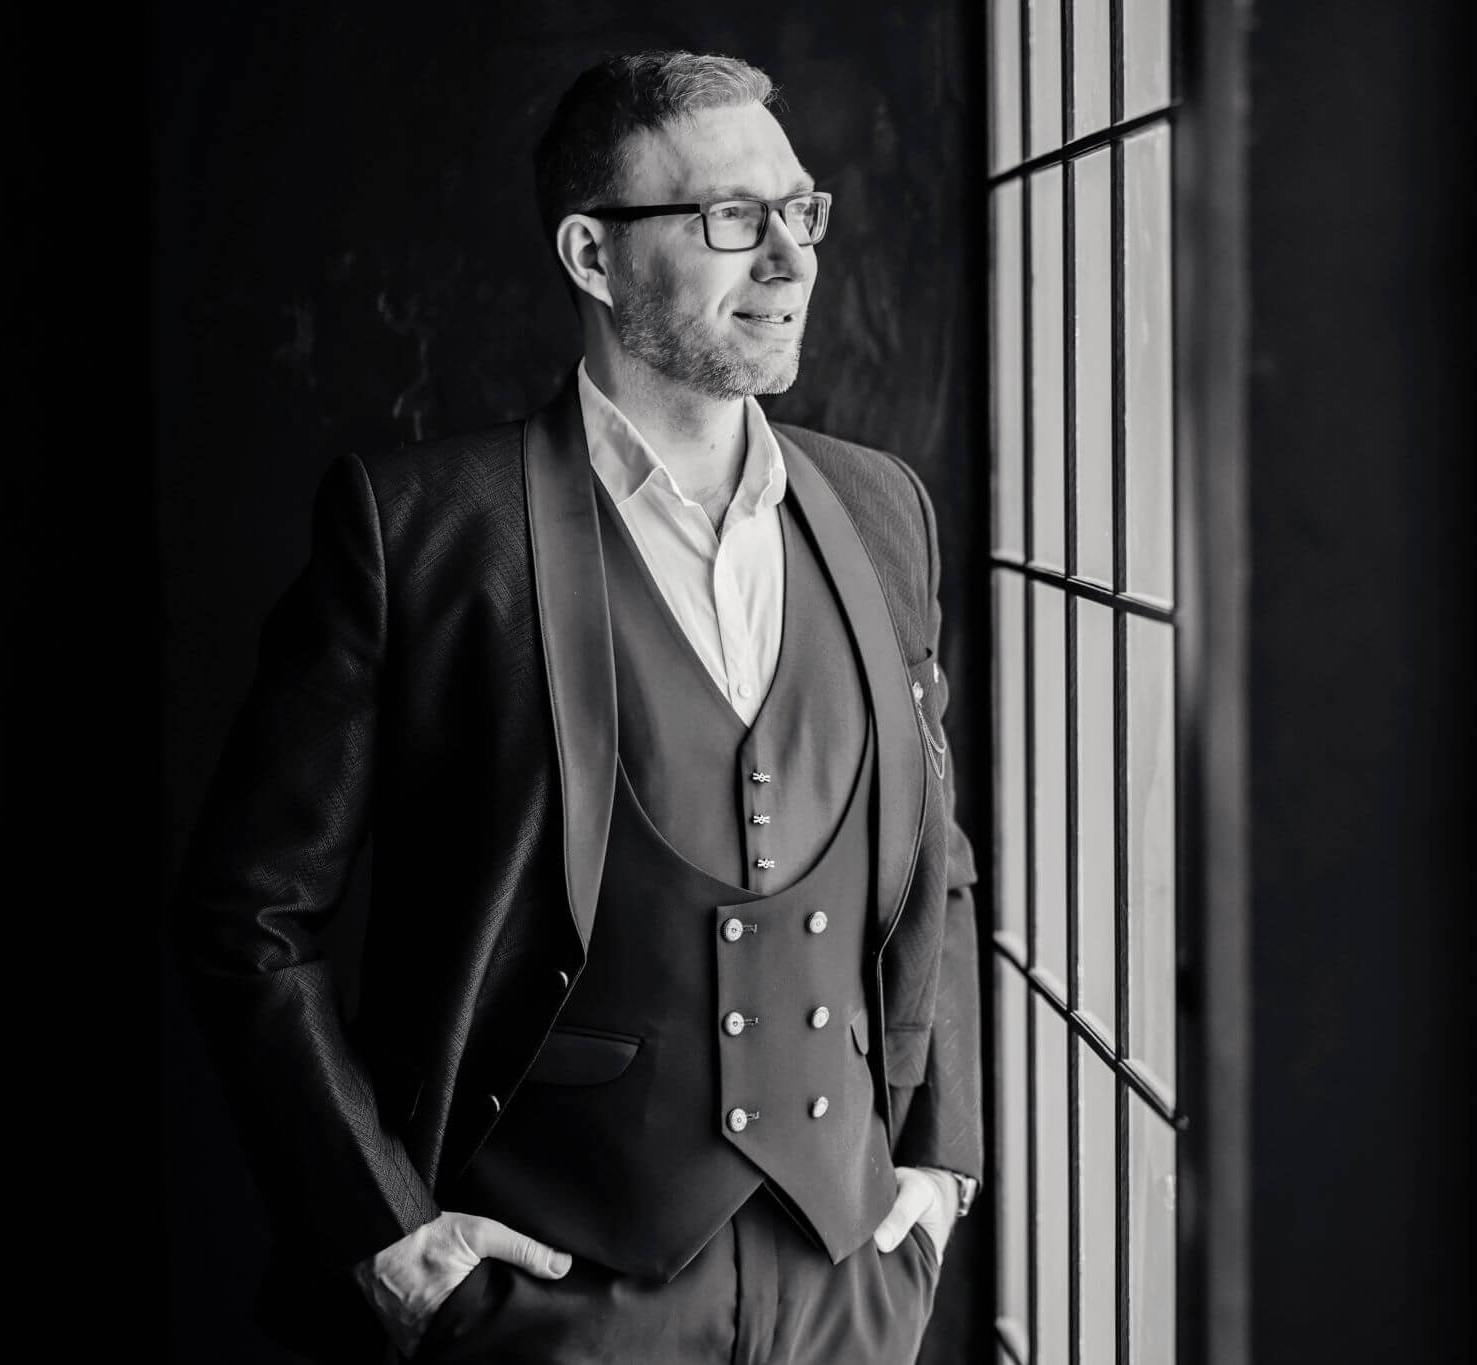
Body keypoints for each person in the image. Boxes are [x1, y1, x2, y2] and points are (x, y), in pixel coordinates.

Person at [172, 49, 981, 1365]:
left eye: (802, 209)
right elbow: (249, 915)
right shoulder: (424, 532)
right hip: (551, 1303)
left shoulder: (883, 509)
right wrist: (387, 1237)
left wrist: (940, 1171)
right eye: (733, 217)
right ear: (594, 257)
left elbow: (934, 862)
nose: (792, 259)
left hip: (848, 1289)